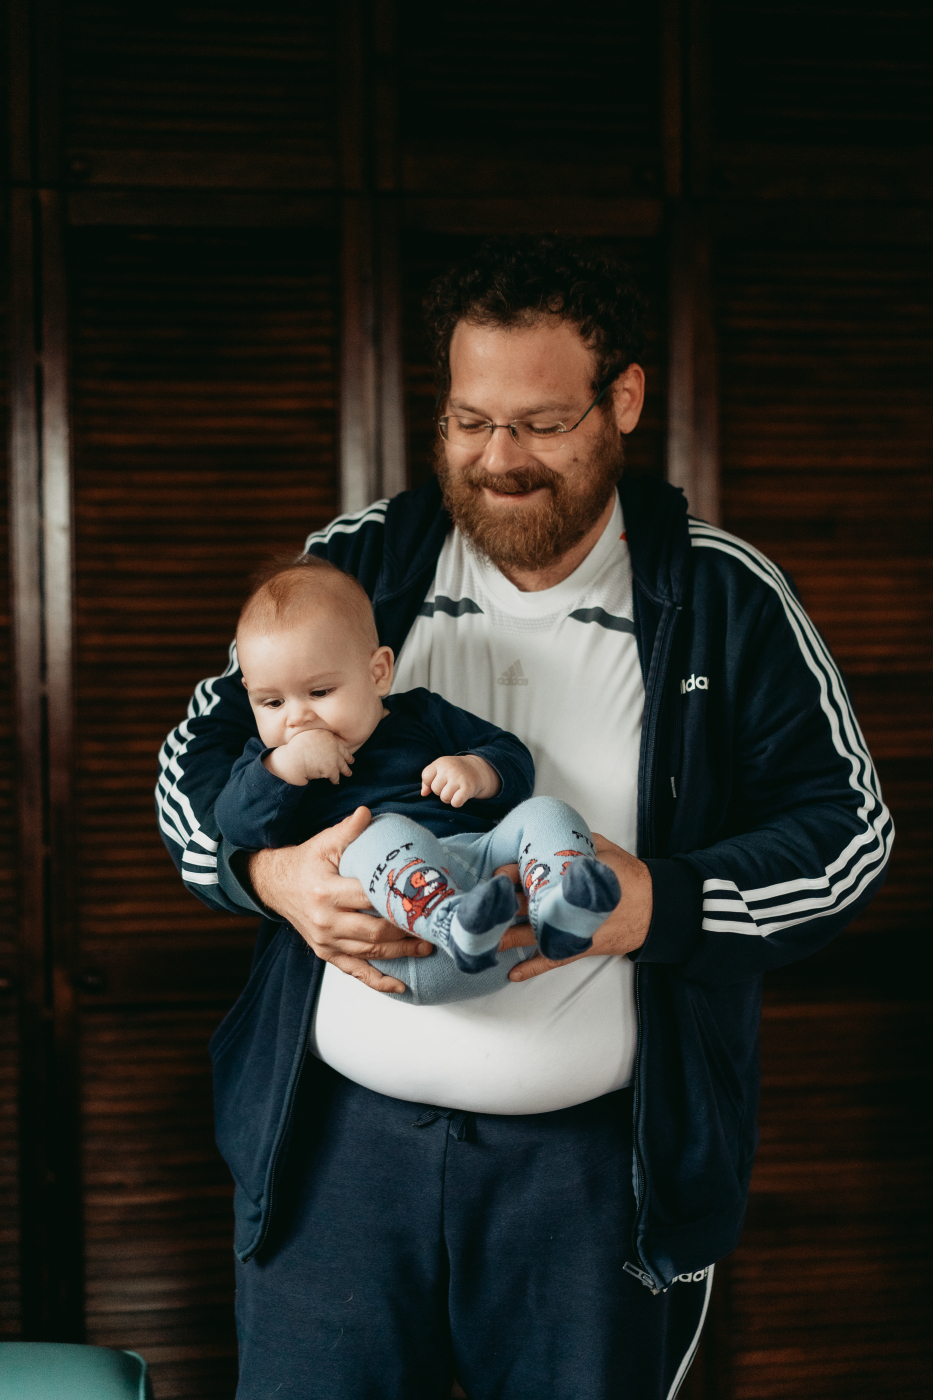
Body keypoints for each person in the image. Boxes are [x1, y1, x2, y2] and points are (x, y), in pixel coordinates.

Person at [157, 236, 893, 1400]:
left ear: (624, 400)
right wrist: (271, 877)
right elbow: (191, 763)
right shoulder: (362, 562)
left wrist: (653, 902)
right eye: (469, 420)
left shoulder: (724, 596)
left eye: (542, 423)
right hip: (338, 1157)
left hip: (592, 1178)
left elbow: (849, 832)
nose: (499, 459)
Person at [214, 553, 622, 1000]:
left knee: (547, 812)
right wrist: (287, 766)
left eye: (319, 691)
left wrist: (477, 769)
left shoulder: (421, 713)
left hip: (494, 894)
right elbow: (236, 826)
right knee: (375, 830)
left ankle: (563, 905)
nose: (297, 719)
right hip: (403, 931)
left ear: (378, 673)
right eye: (272, 703)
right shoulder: (269, 765)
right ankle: (451, 920)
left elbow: (513, 757)